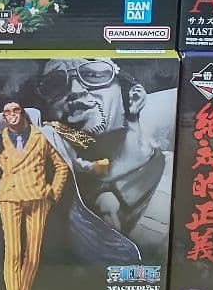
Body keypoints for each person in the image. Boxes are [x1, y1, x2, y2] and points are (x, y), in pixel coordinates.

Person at [0, 101, 138, 290]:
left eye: (15, 111)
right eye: (7, 112)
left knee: (33, 254)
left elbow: (62, 166)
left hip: (39, 198)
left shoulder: (42, 136)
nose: (11, 115)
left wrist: (53, 192)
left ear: (23, 113)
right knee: (13, 253)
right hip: (8, 198)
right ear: (3, 117)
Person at [38, 57, 175, 260]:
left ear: (134, 99)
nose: (74, 90)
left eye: (94, 75)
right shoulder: (48, 202)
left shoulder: (186, 179)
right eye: (55, 85)